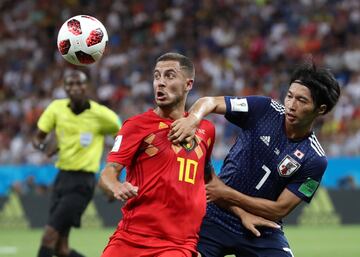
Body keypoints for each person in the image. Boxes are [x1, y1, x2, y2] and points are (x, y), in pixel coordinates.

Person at [99, 52, 278, 257]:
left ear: (188, 84)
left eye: (169, 76)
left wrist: (242, 214)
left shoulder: (206, 131)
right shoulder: (136, 126)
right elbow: (108, 173)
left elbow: (209, 182)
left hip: (177, 246)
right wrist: (116, 185)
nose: (161, 83)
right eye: (157, 76)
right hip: (129, 238)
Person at [168, 61, 341, 257]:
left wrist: (226, 193)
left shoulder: (315, 159)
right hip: (215, 213)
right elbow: (210, 102)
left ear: (321, 109)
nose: (291, 105)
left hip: (262, 228)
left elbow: (280, 209)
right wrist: (193, 119)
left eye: (302, 101)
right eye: (290, 96)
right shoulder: (264, 109)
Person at [33, 70, 121, 257]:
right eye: (69, 84)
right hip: (61, 179)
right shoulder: (56, 109)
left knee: (48, 237)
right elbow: (37, 138)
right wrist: (44, 146)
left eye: (79, 83)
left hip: (82, 183)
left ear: (86, 86)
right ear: (64, 88)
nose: (74, 88)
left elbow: (123, 138)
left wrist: (114, 173)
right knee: (60, 248)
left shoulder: (102, 115)